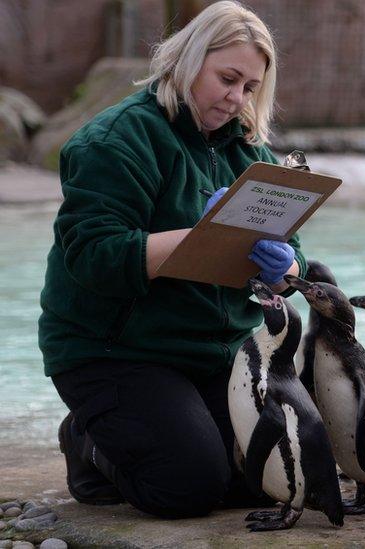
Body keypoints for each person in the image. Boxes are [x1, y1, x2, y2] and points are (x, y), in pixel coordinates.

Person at [38, 1, 305, 519]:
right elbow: (94, 257)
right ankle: (88, 443)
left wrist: (284, 266)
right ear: (188, 59)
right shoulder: (117, 139)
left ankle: (167, 432)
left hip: (213, 352)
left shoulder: (252, 153)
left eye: (250, 87)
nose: (236, 98)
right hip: (117, 349)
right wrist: (204, 237)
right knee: (188, 486)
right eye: (227, 78)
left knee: (269, 480)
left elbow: (297, 266)